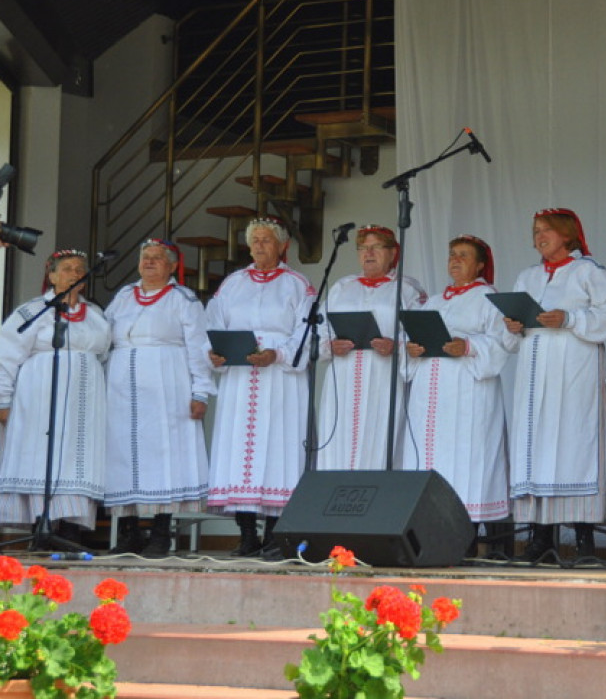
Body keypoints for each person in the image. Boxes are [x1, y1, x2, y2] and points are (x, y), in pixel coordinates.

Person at [504, 208, 606, 560]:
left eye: (547, 231)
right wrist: (513, 326)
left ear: (567, 235)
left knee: (575, 445)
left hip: (575, 370)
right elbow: (508, 328)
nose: (539, 237)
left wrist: (569, 318)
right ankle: (541, 536)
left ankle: (584, 537)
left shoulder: (588, 271)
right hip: (534, 371)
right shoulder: (527, 276)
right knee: (536, 446)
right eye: (536, 230)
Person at [206, 217, 315, 558]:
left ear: (283, 246)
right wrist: (215, 351)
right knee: (239, 453)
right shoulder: (232, 283)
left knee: (277, 452)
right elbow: (211, 324)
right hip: (241, 377)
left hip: (279, 378)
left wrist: (279, 353)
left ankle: (274, 536)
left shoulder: (298, 284)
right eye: (255, 240)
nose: (259, 245)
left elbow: (307, 332)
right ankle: (246, 534)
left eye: (267, 240)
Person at [104, 239, 216, 556]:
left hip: (168, 385)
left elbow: (199, 348)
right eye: (145, 257)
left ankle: (160, 533)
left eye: (157, 258)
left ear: (170, 266)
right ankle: (128, 534)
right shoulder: (124, 296)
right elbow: (103, 335)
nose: (150, 262)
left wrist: (200, 391)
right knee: (122, 455)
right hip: (122, 386)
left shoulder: (183, 299)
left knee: (164, 458)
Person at [402, 235, 513, 538]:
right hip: (430, 391)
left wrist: (467, 345)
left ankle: (467, 534)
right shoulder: (435, 301)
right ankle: (429, 529)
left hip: (467, 390)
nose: (455, 260)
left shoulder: (489, 297)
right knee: (430, 457)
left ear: (480, 264)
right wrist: (411, 349)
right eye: (452, 254)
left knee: (467, 458)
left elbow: (503, 343)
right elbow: (413, 339)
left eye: (464, 255)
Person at [0, 249, 111, 541]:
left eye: (78, 270)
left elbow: (106, 356)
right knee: (40, 455)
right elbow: (5, 356)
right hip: (39, 399)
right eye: (66, 269)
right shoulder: (31, 312)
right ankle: (41, 525)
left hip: (84, 402)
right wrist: (3, 400)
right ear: (51, 275)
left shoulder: (97, 316)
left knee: (79, 455)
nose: (74, 274)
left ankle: (71, 527)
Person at [317, 225, 426, 470]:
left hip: (383, 373)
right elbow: (321, 328)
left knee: (379, 433)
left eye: (376, 247)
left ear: (392, 253)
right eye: (363, 248)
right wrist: (331, 345)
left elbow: (419, 331)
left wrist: (395, 345)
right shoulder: (342, 287)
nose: (369, 253)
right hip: (343, 376)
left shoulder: (407, 288)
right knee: (340, 434)